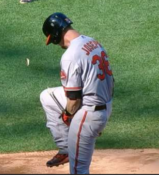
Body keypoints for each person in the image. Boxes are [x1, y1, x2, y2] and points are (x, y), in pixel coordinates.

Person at [40, 12, 114, 174]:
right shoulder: (92, 42)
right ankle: (66, 148)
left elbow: (73, 100)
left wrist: (67, 116)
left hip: (89, 114)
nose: (55, 44)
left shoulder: (70, 56)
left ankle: (73, 146)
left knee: (78, 170)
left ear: (56, 34)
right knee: (48, 97)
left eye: (53, 39)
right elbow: (111, 81)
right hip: (104, 104)